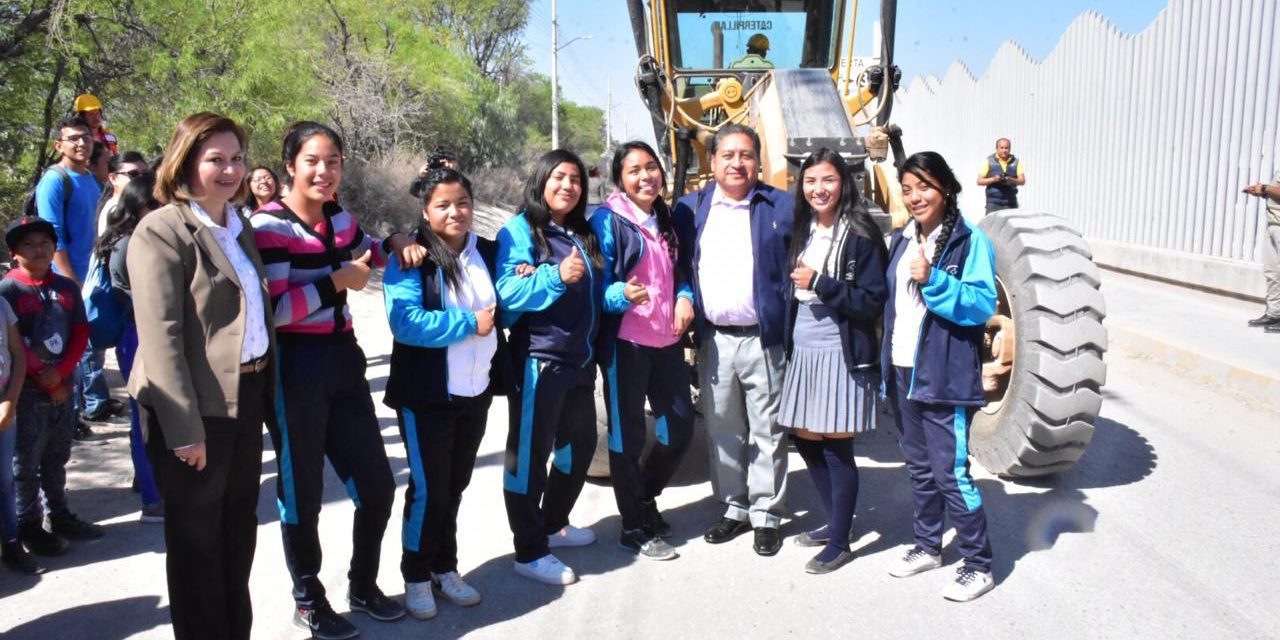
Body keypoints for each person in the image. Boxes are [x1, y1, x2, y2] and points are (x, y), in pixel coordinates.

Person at [252, 121, 423, 638]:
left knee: (376, 486)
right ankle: (308, 598)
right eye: (312, 161)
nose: (324, 172)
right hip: (294, 368)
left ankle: (362, 584)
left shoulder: (337, 217)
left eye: (333, 161)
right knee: (300, 493)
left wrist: (393, 238)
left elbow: (368, 243)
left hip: (343, 360)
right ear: (289, 166)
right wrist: (335, 284)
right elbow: (275, 312)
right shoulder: (269, 227)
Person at [127, 112, 274, 640]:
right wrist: (184, 429)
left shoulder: (239, 225)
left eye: (236, 158)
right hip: (192, 410)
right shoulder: (162, 230)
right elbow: (161, 338)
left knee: (238, 534)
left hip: (245, 396)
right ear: (185, 163)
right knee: (196, 544)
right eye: (216, 159)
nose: (230, 170)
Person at [382, 167, 508, 619]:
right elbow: (405, 322)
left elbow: (513, 281)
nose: (455, 212)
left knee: (454, 487)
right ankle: (415, 575)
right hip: (427, 395)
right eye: (443, 205)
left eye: (462, 203)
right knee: (429, 489)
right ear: (425, 210)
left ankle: (444, 566)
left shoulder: (485, 251)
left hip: (474, 391)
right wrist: (468, 324)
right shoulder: (412, 258)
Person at [882, 151, 998, 602]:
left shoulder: (969, 242)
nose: (915, 197)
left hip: (944, 373)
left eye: (925, 187)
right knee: (920, 468)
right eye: (908, 189)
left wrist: (934, 280)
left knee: (951, 472)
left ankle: (978, 563)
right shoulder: (902, 238)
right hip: (903, 367)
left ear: (946, 188)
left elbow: (981, 304)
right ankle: (928, 546)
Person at [496, 149, 616, 585]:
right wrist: (552, 276)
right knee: (527, 458)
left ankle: (552, 523)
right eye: (559, 177)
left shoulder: (581, 234)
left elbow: (594, 294)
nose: (568, 186)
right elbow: (506, 292)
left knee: (579, 448)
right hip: (538, 361)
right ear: (542, 180)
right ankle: (528, 551)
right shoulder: (521, 229)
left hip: (578, 362)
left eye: (576, 180)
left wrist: (621, 295)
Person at [675, 123, 793, 556]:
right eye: (728, 155)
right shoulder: (691, 209)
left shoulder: (780, 204)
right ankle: (734, 508)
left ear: (759, 162)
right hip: (715, 340)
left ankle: (766, 514)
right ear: (713, 162)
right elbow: (678, 266)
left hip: (764, 339)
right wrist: (683, 297)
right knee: (723, 429)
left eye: (745, 155)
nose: (737, 163)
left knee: (769, 430)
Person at [779, 149, 888, 574]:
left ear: (843, 183)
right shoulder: (802, 228)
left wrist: (820, 283)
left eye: (827, 180)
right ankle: (836, 520)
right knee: (805, 436)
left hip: (840, 344)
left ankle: (840, 541)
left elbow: (872, 299)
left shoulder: (859, 232)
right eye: (810, 181)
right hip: (804, 340)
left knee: (837, 445)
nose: (818, 189)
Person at [594, 141, 696, 561]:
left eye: (651, 167)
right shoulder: (608, 221)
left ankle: (644, 498)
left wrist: (686, 296)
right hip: (626, 345)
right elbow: (599, 285)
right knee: (627, 436)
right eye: (634, 170)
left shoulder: (664, 218)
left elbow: (680, 272)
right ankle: (633, 527)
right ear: (620, 178)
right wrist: (621, 293)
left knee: (679, 428)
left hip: (668, 342)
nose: (645, 176)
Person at [0, 216, 101, 558]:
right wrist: (43, 374)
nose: (39, 249)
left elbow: (80, 333)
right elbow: (13, 344)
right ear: (14, 252)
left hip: (63, 387)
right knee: (24, 462)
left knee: (57, 456)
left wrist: (63, 372)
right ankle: (29, 524)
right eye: (28, 244)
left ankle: (60, 514)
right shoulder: (9, 290)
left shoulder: (67, 288)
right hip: (26, 392)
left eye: (45, 242)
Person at [95, 174, 164, 523]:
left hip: (151, 331)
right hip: (138, 335)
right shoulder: (128, 244)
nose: (161, 209)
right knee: (145, 419)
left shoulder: (149, 237)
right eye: (153, 204)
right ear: (135, 207)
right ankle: (153, 500)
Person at [0, 291, 34, 574]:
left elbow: (17, 356)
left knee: (4, 480)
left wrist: (10, 400)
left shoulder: (2, 305)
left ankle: (12, 543)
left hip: (3, 405)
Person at [1243, 172, 1280, 331]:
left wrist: (1264, 188)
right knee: (1272, 272)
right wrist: (1264, 192)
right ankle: (1274, 313)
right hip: (1274, 223)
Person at [97, 151, 151, 237]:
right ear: (113, 178)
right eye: (133, 174)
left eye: (145, 174)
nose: (140, 179)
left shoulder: (136, 205)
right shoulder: (115, 210)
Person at [977, 138, 1025, 213]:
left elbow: (1022, 181)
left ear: (1010, 148)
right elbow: (979, 181)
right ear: (997, 148)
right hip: (993, 203)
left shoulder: (1016, 162)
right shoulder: (989, 161)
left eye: (1006, 148)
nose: (1004, 150)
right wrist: (994, 179)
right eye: (1002, 148)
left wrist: (1010, 180)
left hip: (1010, 202)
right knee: (991, 224)